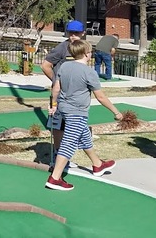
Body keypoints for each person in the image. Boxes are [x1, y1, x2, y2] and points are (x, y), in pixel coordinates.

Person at [45, 39, 123, 190]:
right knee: (68, 144)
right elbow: (100, 97)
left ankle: (98, 165)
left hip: (63, 109)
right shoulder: (89, 72)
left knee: (84, 136)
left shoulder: (65, 66)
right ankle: (55, 178)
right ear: (87, 54)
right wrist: (116, 112)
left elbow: (56, 88)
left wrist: (54, 105)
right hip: (77, 112)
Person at [41, 20, 86, 169]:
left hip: (76, 95)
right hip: (60, 95)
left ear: (82, 33)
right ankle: (58, 156)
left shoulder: (83, 48)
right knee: (59, 126)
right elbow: (45, 65)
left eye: (76, 33)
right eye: (70, 33)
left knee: (73, 125)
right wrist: (56, 82)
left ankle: (65, 157)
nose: (73, 36)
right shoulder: (62, 48)